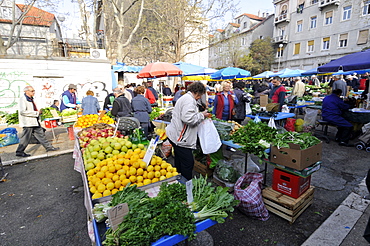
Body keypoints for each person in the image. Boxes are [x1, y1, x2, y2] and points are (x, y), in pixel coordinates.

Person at [166, 82, 210, 180]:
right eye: (200, 95)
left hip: (175, 135)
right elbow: (188, 119)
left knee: (179, 159)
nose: (200, 98)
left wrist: (199, 113)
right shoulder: (189, 100)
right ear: (197, 93)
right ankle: (186, 185)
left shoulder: (185, 98)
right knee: (188, 163)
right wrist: (202, 115)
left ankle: (178, 178)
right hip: (181, 138)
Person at [16, 86, 59, 157]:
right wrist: (36, 113)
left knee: (41, 135)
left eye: (34, 91)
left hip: (34, 121)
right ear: (27, 91)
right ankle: (19, 151)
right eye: (32, 91)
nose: (34, 92)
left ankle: (49, 147)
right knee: (25, 138)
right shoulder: (23, 99)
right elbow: (22, 112)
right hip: (28, 122)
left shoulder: (30, 99)